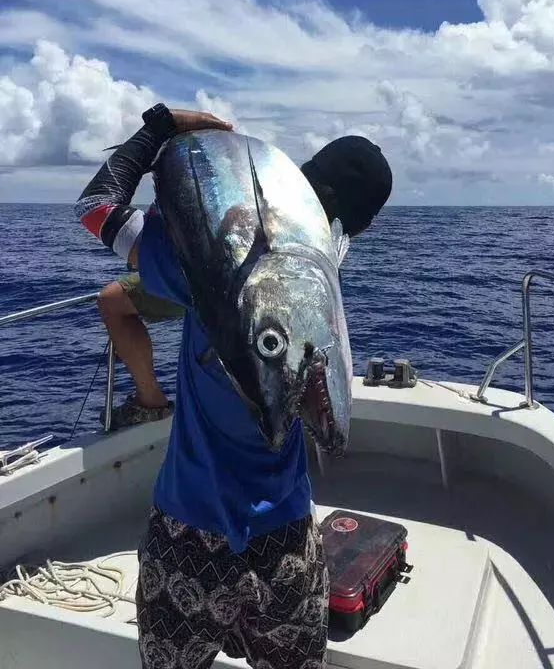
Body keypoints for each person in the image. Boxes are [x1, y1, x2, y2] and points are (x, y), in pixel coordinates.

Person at [76, 104, 392, 669]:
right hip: (287, 542)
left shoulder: (190, 265)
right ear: (355, 228)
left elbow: (95, 209)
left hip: (186, 538)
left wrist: (160, 128)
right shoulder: (323, 279)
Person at [97, 132, 394, 431]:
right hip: (285, 472)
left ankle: (151, 400)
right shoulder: (326, 271)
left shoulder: (220, 248)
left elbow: (97, 207)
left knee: (114, 301)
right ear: (362, 228)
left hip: (202, 472)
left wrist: (158, 128)